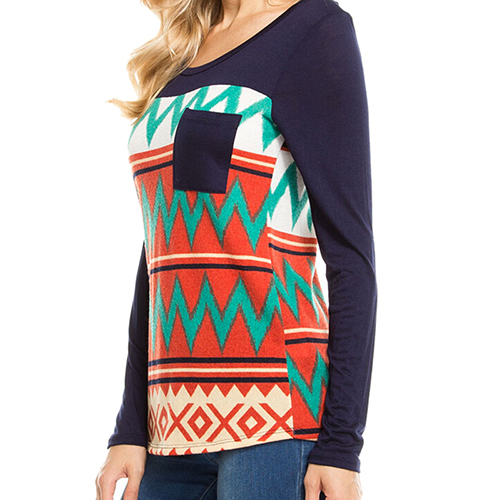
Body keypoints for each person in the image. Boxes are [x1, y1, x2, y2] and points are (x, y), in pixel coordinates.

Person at [95, 0, 377, 498]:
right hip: (170, 422)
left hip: (275, 417)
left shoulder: (315, 31)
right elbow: (161, 252)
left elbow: (351, 257)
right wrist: (131, 427)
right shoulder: (184, 45)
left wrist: (340, 445)